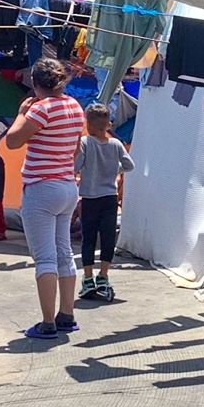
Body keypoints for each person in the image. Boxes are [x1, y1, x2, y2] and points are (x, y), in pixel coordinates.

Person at [0, 58, 84, 340]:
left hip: (41, 189)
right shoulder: (74, 106)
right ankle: (66, 315)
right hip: (67, 186)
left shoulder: (40, 109)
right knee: (64, 253)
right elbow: (73, 150)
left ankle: (47, 322)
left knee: (45, 258)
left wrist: (21, 114)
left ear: (35, 83)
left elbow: (11, 141)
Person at [76, 103, 134, 302]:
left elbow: (76, 165)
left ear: (88, 124)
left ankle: (88, 278)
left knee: (88, 238)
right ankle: (104, 275)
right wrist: (114, 169)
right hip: (109, 197)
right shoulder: (116, 145)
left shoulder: (85, 142)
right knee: (107, 237)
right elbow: (129, 165)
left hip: (90, 198)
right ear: (109, 125)